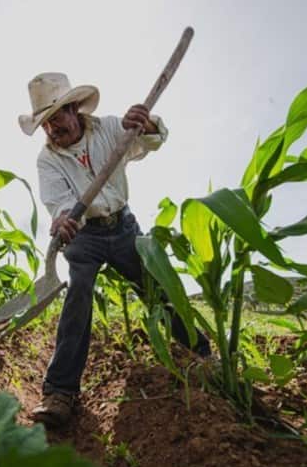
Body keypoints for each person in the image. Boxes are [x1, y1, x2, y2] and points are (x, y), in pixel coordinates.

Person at [18, 72, 211, 428]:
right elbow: (57, 202)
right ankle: (60, 392)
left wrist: (145, 123)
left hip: (122, 227)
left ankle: (202, 354)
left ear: (74, 109)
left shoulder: (108, 128)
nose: (51, 129)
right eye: (45, 123)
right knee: (77, 296)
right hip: (83, 237)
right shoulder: (48, 159)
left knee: (155, 289)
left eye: (56, 117)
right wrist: (62, 220)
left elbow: (151, 140)